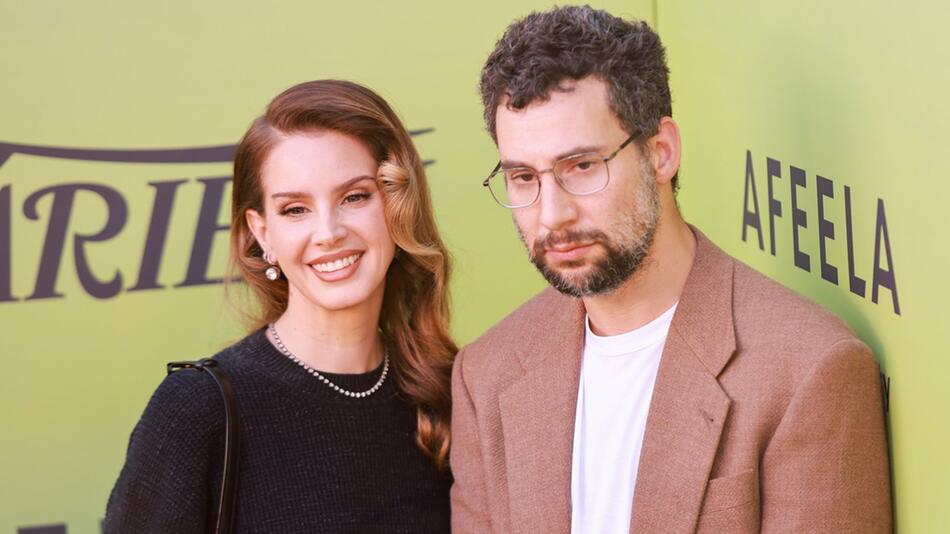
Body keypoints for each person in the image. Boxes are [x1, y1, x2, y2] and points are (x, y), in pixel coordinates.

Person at [450, 6, 891, 534]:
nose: (551, 215)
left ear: (660, 153)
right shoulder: (485, 373)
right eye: (524, 178)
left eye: (582, 166)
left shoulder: (806, 371)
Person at [104, 80, 455, 533]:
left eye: (354, 197)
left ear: (398, 204)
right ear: (262, 232)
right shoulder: (197, 410)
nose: (328, 232)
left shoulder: (450, 396)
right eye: (295, 209)